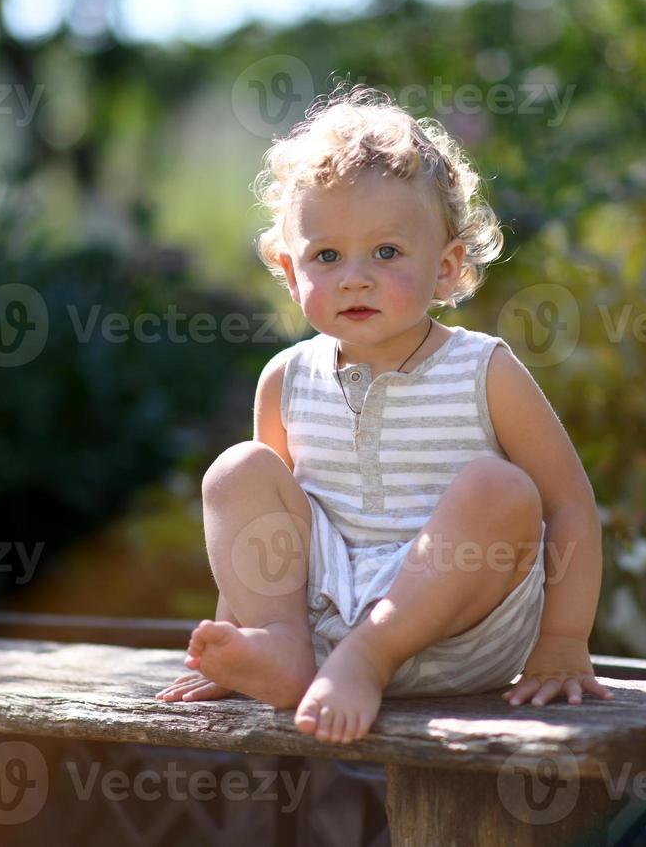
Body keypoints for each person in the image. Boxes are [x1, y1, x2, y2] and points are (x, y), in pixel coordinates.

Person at [157, 84, 612, 744]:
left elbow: (570, 504)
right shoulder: (285, 379)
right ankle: (282, 649)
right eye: (327, 256)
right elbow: (265, 538)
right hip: (320, 629)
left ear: (447, 265)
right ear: (290, 270)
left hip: (462, 631)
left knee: (503, 489)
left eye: (388, 253)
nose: (355, 277)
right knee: (239, 471)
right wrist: (239, 636)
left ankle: (367, 656)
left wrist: (566, 641)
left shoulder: (485, 370)